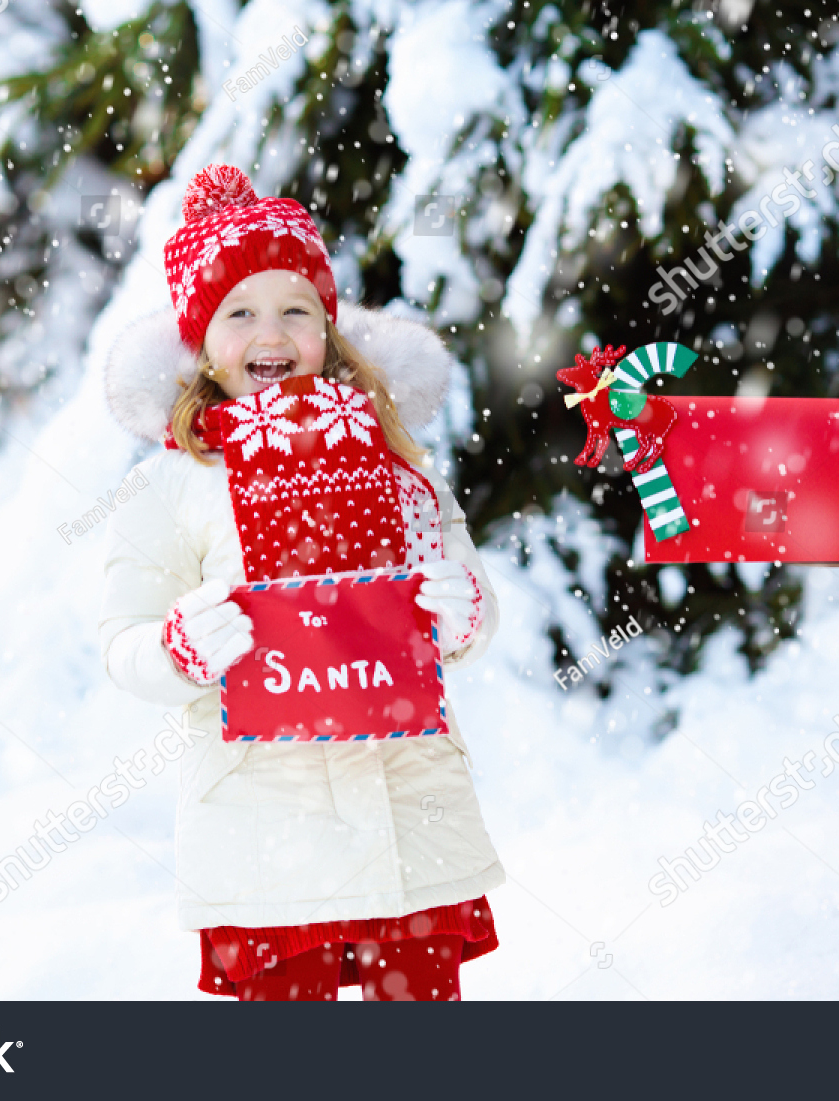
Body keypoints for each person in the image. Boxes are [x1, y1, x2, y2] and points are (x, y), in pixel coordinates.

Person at [99, 165, 505, 1000]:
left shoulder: (393, 465)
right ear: (202, 342)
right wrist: (177, 648)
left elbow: (465, 594)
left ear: (329, 328)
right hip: (266, 837)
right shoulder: (173, 484)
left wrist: (464, 613)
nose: (270, 332)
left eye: (296, 309)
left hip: (406, 816)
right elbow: (122, 641)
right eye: (239, 313)